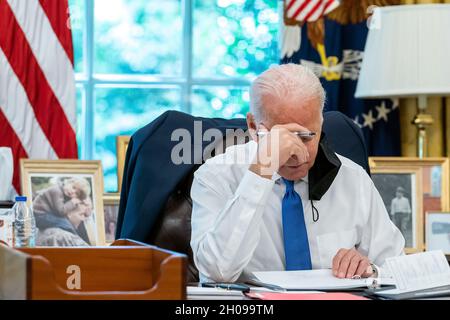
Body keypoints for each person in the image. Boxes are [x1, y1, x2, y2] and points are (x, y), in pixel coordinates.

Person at [190, 64, 405, 283]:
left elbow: (397, 268)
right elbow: (217, 273)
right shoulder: (216, 176)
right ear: (254, 126)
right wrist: (260, 173)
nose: (297, 153)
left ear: (321, 123)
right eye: (282, 138)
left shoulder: (352, 178)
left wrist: (372, 269)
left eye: (306, 136)